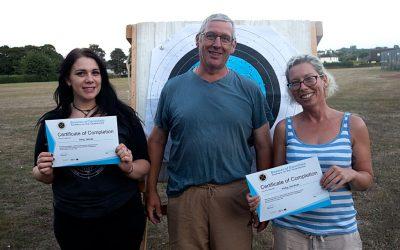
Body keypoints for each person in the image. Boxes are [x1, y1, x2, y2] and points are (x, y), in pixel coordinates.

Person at [146, 13, 273, 250]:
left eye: (225, 39)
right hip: (185, 198)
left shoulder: (250, 90)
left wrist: (265, 195)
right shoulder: (173, 88)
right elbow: (156, 141)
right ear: (198, 40)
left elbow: (264, 144)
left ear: (233, 47)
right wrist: (151, 190)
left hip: (235, 197)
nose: (217, 44)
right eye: (210, 36)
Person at [247, 54, 374, 249]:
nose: (303, 87)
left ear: (323, 79)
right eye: (295, 83)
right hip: (290, 234)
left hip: (339, 234)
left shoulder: (353, 125)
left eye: (309, 78)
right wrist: (260, 199)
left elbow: (366, 180)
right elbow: (275, 184)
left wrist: (351, 174)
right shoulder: (284, 128)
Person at [33, 48, 150, 249]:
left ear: (102, 77)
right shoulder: (53, 122)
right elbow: (38, 170)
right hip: (71, 219)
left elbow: (145, 164)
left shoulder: (124, 117)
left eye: (95, 73)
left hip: (122, 215)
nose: (89, 79)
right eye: (81, 73)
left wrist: (129, 168)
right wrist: (44, 172)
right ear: (68, 80)